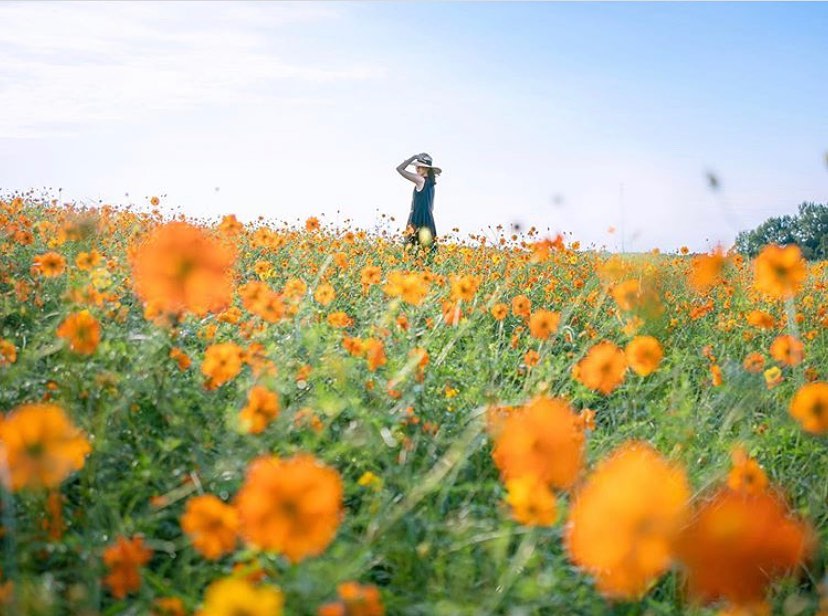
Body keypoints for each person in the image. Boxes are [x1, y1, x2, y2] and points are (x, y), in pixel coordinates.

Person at [396, 152, 442, 251]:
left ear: (427, 168)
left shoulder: (420, 180)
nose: (417, 169)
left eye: (420, 167)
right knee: (427, 250)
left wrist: (413, 157)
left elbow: (399, 169)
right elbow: (431, 206)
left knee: (411, 249)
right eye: (417, 166)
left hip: (416, 217)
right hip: (429, 219)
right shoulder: (431, 184)